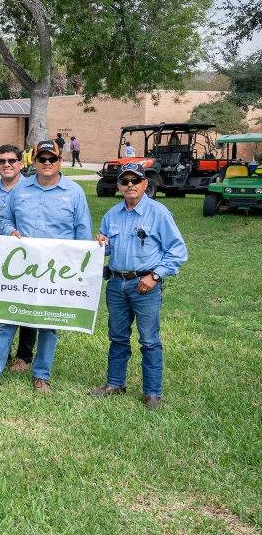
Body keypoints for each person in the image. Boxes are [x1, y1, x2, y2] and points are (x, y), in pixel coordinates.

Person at [0, 140, 92, 393]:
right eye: (42, 159)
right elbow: (3, 221)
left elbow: (83, 232)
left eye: (52, 159)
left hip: (55, 271)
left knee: (48, 324)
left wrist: (80, 269)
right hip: (21, 269)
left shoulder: (74, 192)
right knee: (7, 319)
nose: (47, 163)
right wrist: (9, 230)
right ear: (33, 162)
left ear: (60, 161)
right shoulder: (20, 189)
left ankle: (41, 376)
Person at [91, 163, 188, 410]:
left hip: (145, 284)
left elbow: (177, 251)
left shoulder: (158, 213)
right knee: (117, 336)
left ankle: (152, 392)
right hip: (115, 284)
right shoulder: (111, 215)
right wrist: (101, 243)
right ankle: (115, 384)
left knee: (149, 340)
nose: (130, 185)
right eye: (125, 181)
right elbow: (109, 248)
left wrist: (155, 276)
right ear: (119, 185)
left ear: (146, 183)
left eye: (136, 180)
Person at [0, 144, 36, 374]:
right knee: (0, 306)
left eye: (12, 160)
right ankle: (2, 352)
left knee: (27, 307)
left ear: (21, 163)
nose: (7, 164)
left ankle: (24, 356)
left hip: (28, 258)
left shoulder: (33, 189)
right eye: (2, 161)